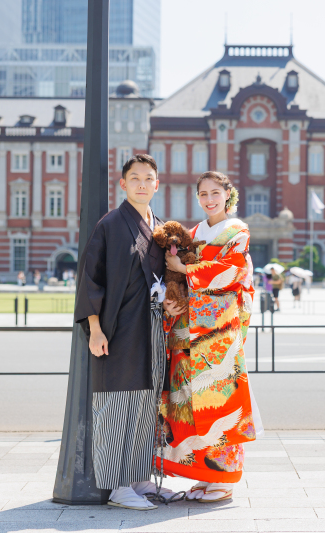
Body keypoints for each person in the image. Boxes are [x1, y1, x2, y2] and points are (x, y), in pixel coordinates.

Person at [74, 154, 182, 510]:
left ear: (156, 184)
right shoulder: (110, 224)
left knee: (146, 402)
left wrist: (169, 300)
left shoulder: (160, 226)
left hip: (151, 326)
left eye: (147, 178)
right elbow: (90, 280)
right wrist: (94, 329)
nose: (141, 184)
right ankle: (118, 487)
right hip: (117, 328)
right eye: (134, 178)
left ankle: (139, 479)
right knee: (116, 402)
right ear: (122, 184)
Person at [161, 171, 260, 503]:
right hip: (190, 330)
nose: (209, 200)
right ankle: (202, 477)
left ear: (227, 194)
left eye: (215, 193)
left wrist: (186, 269)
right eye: (203, 194)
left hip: (219, 331)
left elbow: (231, 272)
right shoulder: (192, 233)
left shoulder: (238, 231)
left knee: (219, 402)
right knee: (191, 401)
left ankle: (225, 478)